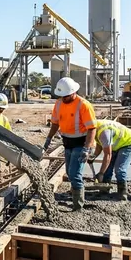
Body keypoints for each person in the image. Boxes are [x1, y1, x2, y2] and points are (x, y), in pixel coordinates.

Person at [43, 77, 97, 211]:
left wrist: (87, 148)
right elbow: (55, 123)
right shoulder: (59, 103)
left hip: (81, 143)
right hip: (67, 142)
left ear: (73, 92)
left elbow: (92, 128)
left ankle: (78, 205)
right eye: (61, 96)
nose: (63, 98)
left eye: (66, 96)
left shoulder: (83, 105)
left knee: (74, 174)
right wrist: (48, 139)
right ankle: (75, 198)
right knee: (69, 172)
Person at [91, 119, 131, 200]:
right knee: (107, 168)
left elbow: (107, 154)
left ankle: (122, 192)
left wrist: (101, 173)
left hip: (128, 143)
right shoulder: (95, 128)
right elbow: (100, 144)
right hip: (116, 145)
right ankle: (104, 190)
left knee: (120, 169)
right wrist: (93, 156)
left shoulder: (104, 132)